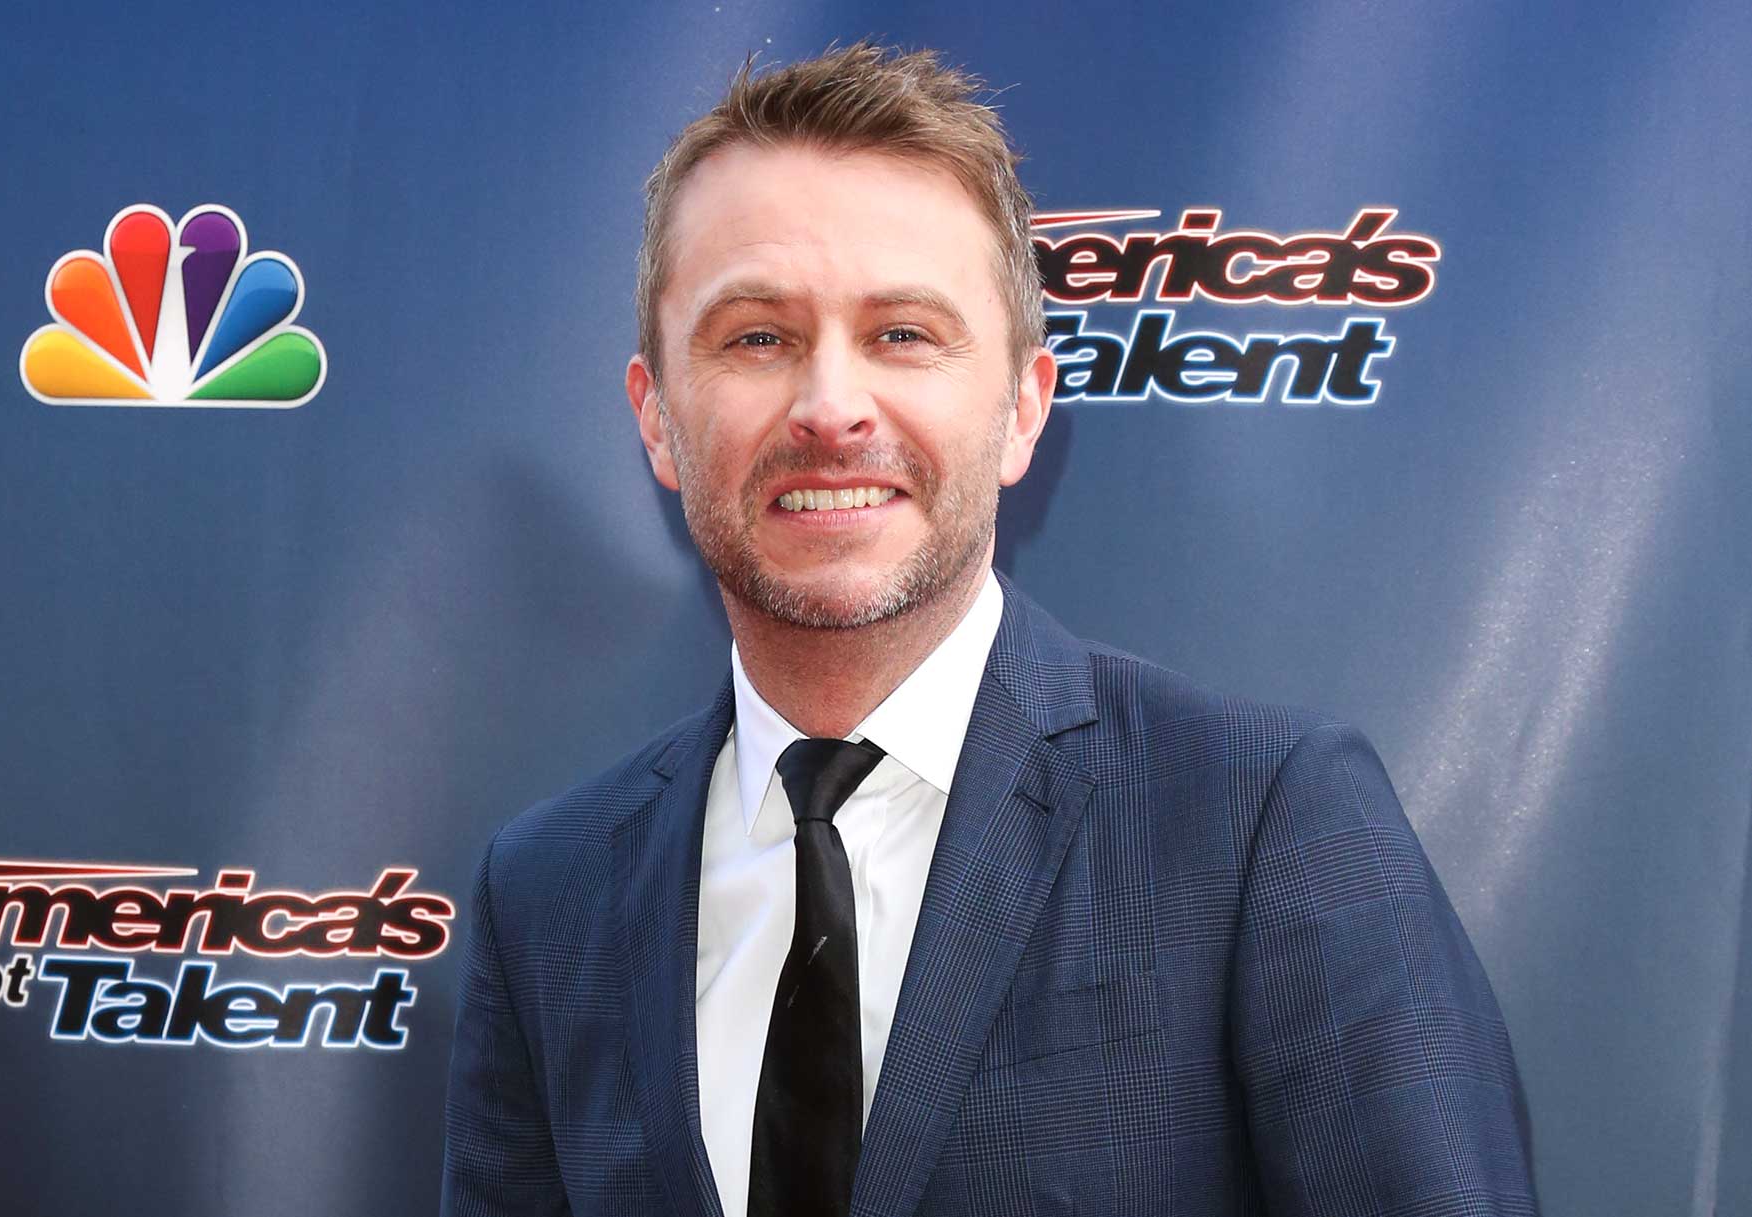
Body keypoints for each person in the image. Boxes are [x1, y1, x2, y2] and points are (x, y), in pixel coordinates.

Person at [442, 43, 1536, 1217]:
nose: (830, 407)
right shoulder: (549, 892)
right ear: (656, 416)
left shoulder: (1257, 819)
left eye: (903, 333)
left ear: (1021, 407)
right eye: (756, 336)